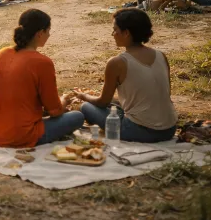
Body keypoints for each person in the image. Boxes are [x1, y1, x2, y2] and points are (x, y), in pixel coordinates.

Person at [0, 9, 84, 147]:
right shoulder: (42, 62)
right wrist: (64, 100)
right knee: (77, 117)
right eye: (48, 31)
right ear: (40, 33)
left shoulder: (1, 53)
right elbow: (55, 111)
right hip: (19, 136)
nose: (49, 35)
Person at [75, 9, 177, 142]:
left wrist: (84, 96)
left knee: (86, 107)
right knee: (115, 105)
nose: (113, 34)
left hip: (138, 131)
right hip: (169, 129)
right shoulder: (160, 55)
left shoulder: (117, 62)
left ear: (126, 33)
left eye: (115, 29)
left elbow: (102, 102)